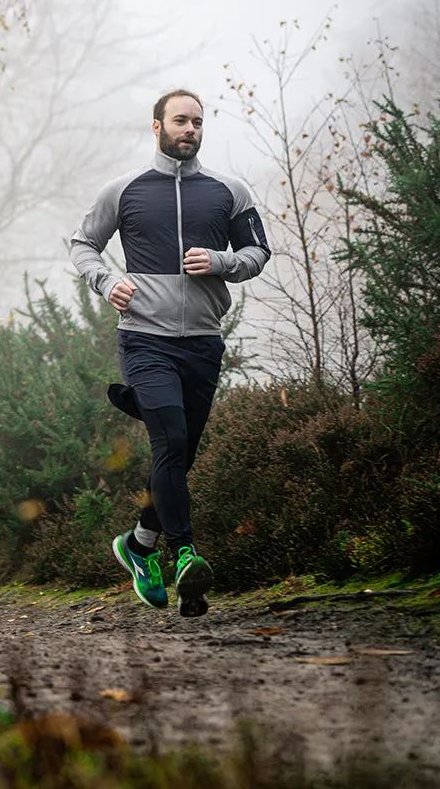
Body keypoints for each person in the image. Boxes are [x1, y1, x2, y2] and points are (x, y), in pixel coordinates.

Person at [70, 89, 270, 617]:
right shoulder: (126, 190)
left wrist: (222, 262)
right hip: (144, 337)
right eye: (180, 120)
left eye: (198, 122)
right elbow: (82, 244)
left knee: (179, 456)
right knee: (172, 438)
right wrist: (105, 281)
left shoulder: (230, 190)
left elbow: (259, 253)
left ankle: (137, 546)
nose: (190, 129)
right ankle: (184, 556)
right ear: (156, 126)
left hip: (203, 342)